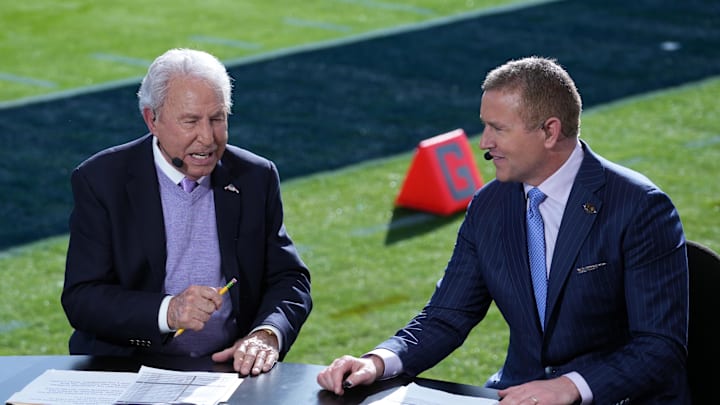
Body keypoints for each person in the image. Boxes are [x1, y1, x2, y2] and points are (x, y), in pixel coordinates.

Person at [317, 56, 689, 404]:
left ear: (549, 131)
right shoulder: (490, 205)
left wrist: (568, 388)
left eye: (498, 128)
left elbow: (659, 345)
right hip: (517, 393)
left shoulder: (639, 207)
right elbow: (448, 314)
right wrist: (380, 361)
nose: (484, 143)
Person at [61, 48, 312, 376]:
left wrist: (267, 334)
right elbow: (82, 298)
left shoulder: (255, 177)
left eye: (217, 118)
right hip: (126, 369)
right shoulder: (101, 180)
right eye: (191, 121)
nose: (207, 138)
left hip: (225, 370)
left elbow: (288, 278)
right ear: (152, 119)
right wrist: (169, 311)